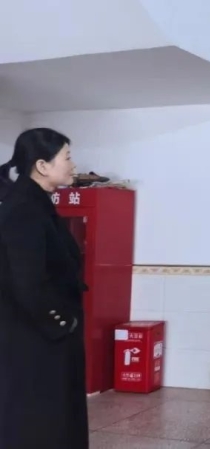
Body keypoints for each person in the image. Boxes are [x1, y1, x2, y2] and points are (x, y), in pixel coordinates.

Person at [0, 128, 89, 449]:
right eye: (67, 157)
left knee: (55, 415)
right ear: (42, 165)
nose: (73, 165)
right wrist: (61, 322)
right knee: (38, 420)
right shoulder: (23, 208)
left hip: (44, 335)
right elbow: (27, 280)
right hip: (35, 336)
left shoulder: (36, 203)